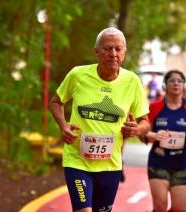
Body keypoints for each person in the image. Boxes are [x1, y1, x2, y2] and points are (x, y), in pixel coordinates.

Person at [49, 27, 150, 212]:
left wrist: (136, 130)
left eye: (118, 49)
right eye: (107, 48)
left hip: (110, 165)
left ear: (124, 52)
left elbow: (145, 122)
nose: (113, 54)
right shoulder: (78, 75)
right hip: (78, 161)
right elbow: (56, 102)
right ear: (96, 52)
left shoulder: (132, 81)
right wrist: (63, 126)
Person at [142, 70, 186, 212]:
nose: (176, 83)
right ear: (165, 85)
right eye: (172, 81)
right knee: (160, 207)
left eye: (180, 81)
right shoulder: (154, 107)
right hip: (158, 162)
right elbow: (143, 133)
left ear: (184, 85)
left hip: (183, 163)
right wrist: (155, 136)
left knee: (180, 209)